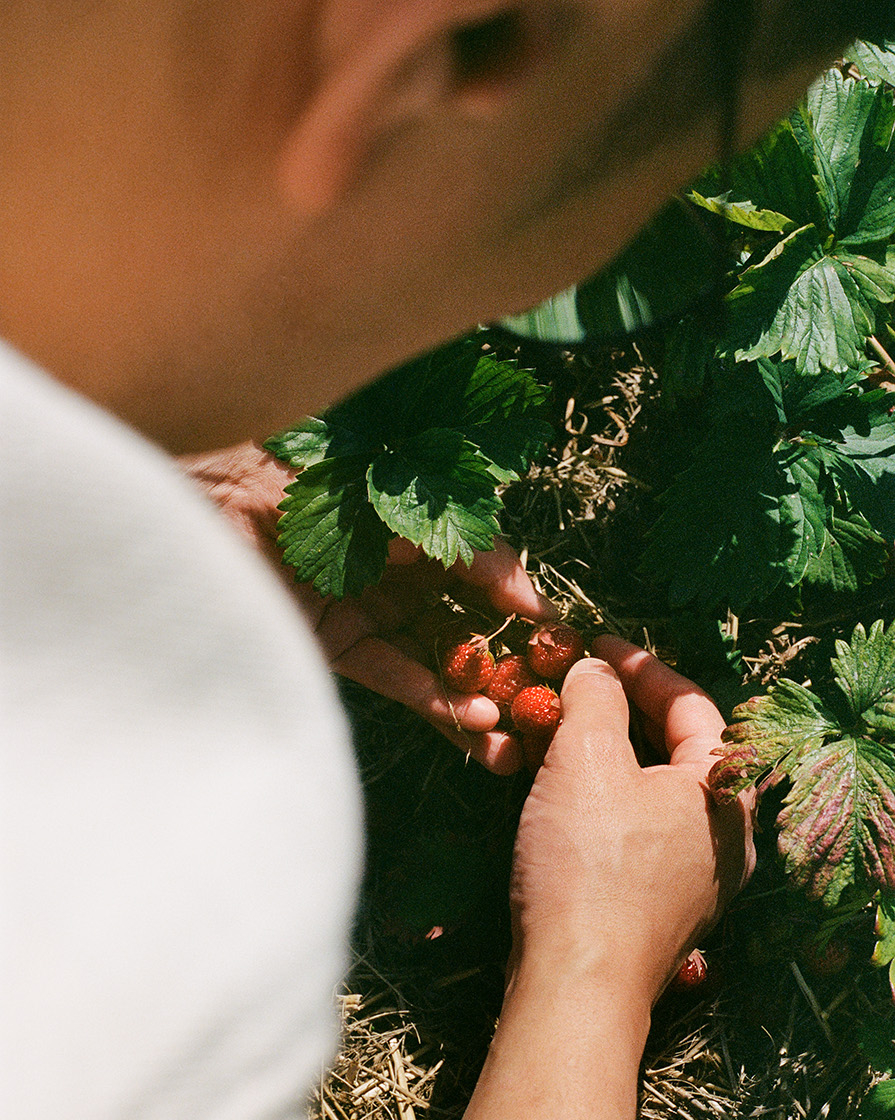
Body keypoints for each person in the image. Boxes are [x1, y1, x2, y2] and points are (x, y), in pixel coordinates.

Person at [1, 2, 888, 1117]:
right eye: (585, 256)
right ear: (437, 52)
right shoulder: (178, 857)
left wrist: (155, 463)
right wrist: (593, 964)